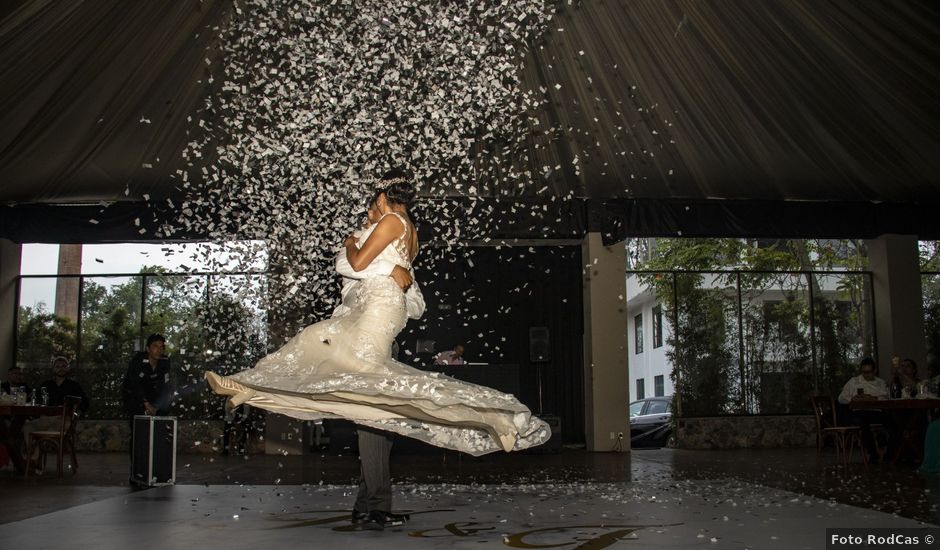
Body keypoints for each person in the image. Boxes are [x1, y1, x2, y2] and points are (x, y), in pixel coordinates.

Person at [206, 171, 549, 529]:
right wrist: (385, 264)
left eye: (373, 202)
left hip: (375, 312)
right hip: (375, 310)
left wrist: (349, 241)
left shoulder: (391, 219)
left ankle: (496, 416)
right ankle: (252, 389)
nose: (370, 209)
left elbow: (354, 264)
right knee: (368, 392)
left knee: (365, 380)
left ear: (383, 197)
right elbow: (390, 275)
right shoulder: (408, 230)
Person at [838, 357, 888, 463]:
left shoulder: (880, 382)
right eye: (864, 372)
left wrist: (873, 398)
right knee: (863, 421)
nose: (866, 375)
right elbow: (841, 398)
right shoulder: (853, 381)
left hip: (876, 412)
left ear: (875, 371)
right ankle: (872, 452)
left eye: (869, 372)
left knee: (892, 419)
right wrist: (853, 398)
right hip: (858, 412)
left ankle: (892, 453)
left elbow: (886, 397)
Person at [122, 334, 174, 419]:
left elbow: (164, 384)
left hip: (152, 394)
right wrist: (145, 403)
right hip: (134, 396)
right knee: (139, 423)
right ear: (148, 349)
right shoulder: (138, 361)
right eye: (155, 346)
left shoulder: (165, 361)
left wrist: (159, 404)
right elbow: (135, 384)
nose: (159, 350)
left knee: (161, 414)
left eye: (162, 347)